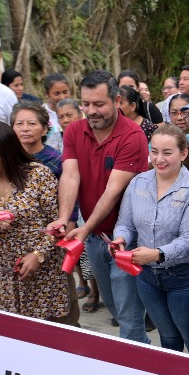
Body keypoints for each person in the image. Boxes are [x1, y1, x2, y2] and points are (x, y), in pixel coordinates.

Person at [48, 71, 149, 341]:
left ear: (117, 100)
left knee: (128, 315)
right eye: (86, 104)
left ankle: (137, 364)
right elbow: (70, 175)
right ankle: (142, 346)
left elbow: (113, 191)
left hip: (125, 238)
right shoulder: (73, 130)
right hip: (93, 237)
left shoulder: (133, 135)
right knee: (114, 308)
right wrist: (63, 219)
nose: (91, 111)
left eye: (99, 104)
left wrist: (84, 227)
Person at [111, 125, 189, 357]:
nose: (159, 159)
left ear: (183, 154)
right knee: (168, 336)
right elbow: (125, 222)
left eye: (167, 152)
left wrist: (157, 254)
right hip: (147, 277)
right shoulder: (138, 183)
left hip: (185, 278)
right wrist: (120, 239)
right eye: (154, 151)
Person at [0, 120, 73, 323]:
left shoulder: (38, 175)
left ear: (3, 153)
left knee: (47, 333)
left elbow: (58, 226)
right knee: (11, 330)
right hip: (2, 272)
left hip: (43, 271)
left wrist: (38, 255)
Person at [11, 101, 62, 176]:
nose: (25, 129)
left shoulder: (56, 160)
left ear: (44, 129)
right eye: (19, 123)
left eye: (32, 123)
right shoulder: (7, 157)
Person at [40, 73, 70, 151]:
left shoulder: (79, 111)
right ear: (46, 94)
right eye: (57, 94)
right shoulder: (40, 114)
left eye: (65, 92)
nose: (62, 97)